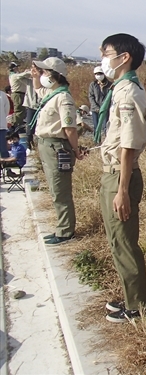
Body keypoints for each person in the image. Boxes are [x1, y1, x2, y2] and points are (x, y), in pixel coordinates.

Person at [97, 33, 146, 323]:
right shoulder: (119, 89)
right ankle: (132, 297)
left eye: (106, 53)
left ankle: (138, 307)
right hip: (115, 174)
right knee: (118, 242)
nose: (103, 59)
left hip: (121, 176)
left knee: (124, 243)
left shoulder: (129, 92)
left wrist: (122, 190)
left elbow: (128, 145)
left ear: (124, 57)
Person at [30, 57, 82, 246]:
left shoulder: (63, 97)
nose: (42, 75)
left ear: (55, 76)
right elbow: (37, 90)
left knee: (60, 191)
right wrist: (35, 75)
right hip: (46, 145)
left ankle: (65, 231)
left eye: (45, 72)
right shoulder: (52, 93)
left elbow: (70, 128)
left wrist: (76, 150)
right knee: (54, 189)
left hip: (56, 147)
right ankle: (61, 227)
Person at [88, 66, 112, 143]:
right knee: (96, 126)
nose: (98, 75)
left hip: (105, 109)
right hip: (95, 109)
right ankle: (96, 141)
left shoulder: (110, 85)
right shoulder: (93, 85)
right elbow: (91, 96)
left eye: (100, 73)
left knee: (106, 126)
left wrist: (103, 107)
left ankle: (107, 141)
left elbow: (109, 97)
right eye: (97, 74)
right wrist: (95, 107)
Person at [9, 62, 31, 129]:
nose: (18, 68)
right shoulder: (14, 75)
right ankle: (16, 126)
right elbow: (23, 75)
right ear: (14, 68)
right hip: (18, 94)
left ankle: (18, 124)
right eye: (16, 67)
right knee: (19, 111)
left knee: (21, 110)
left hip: (19, 94)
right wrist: (30, 71)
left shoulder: (15, 75)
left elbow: (22, 75)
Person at [22, 68, 39, 150]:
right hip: (31, 107)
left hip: (40, 108)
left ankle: (37, 147)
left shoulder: (43, 82)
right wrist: (29, 72)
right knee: (29, 127)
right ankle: (29, 146)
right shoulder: (29, 81)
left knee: (39, 128)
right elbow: (17, 77)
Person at [0, 89, 10, 158]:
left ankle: (6, 166)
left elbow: (7, 109)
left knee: (3, 149)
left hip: (2, 127)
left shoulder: (2, 95)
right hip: (2, 124)